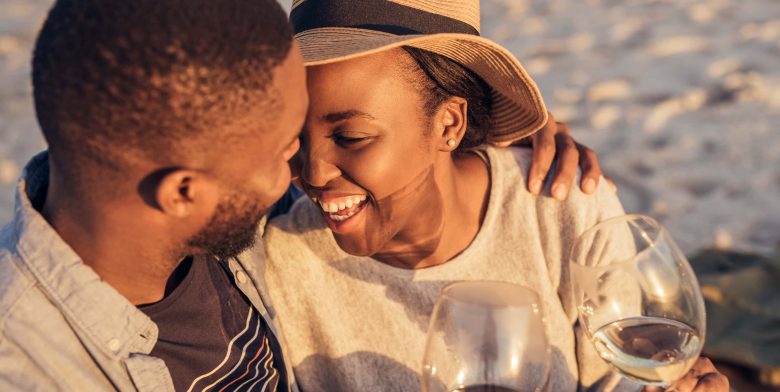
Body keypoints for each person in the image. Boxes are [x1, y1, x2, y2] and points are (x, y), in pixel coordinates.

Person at [0, 0, 602, 390]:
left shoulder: (201, 225)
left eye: (339, 135)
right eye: (283, 145)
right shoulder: (30, 366)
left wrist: (500, 129)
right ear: (184, 191)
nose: (304, 175)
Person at [261, 0, 730, 391]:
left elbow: (620, 379)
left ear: (449, 124)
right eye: (296, 137)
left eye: (351, 137)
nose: (314, 172)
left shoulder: (561, 209)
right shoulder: (279, 263)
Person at [0, 0, 307, 390]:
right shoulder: (22, 371)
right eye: (281, 150)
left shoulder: (213, 206)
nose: (303, 161)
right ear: (182, 193)